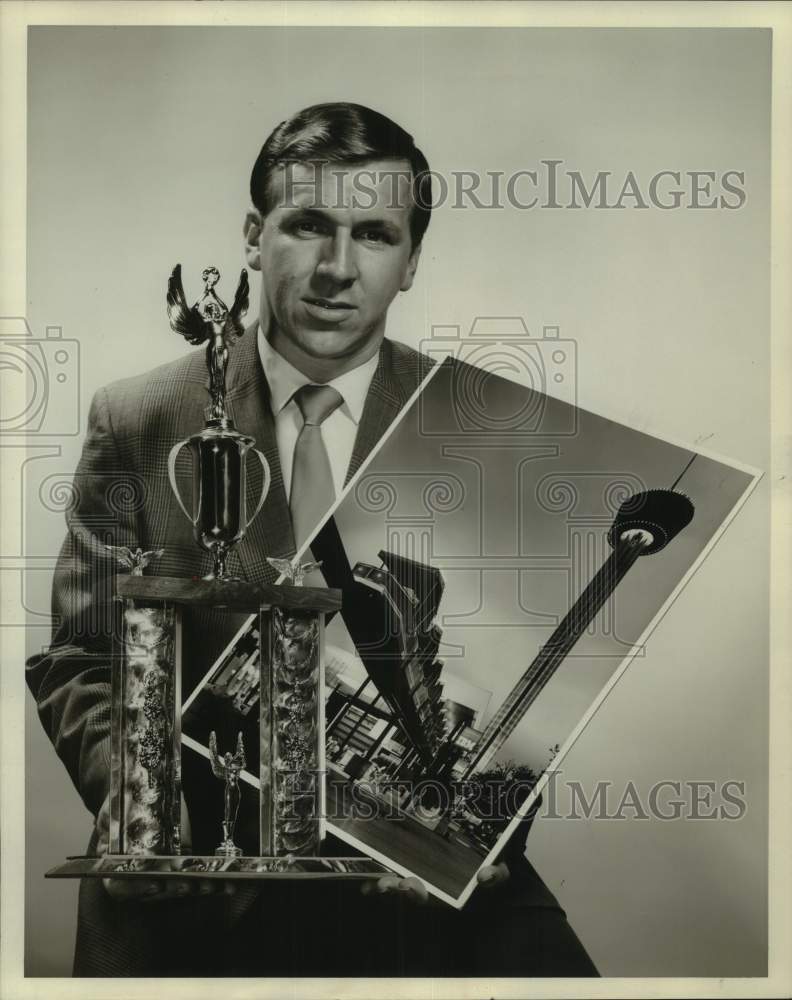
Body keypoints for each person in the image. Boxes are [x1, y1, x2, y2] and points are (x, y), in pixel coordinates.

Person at [26, 102, 597, 977]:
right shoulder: (141, 417)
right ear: (254, 236)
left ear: (411, 262)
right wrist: (139, 795)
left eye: (374, 233)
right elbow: (79, 655)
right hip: (199, 885)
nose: (337, 267)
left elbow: (520, 690)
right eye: (307, 225)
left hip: (409, 910)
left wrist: (479, 835)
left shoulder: (482, 432)